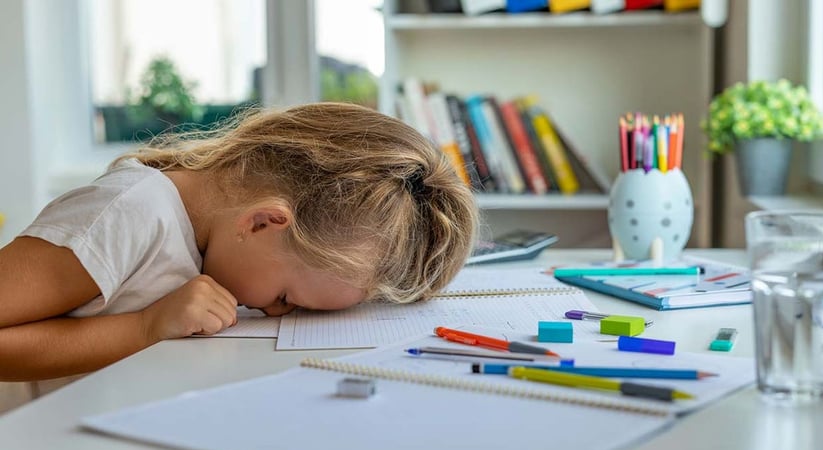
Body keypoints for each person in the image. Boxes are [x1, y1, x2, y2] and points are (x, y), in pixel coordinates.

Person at [0, 102, 479, 381]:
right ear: (261, 223)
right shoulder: (125, 215)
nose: (274, 312)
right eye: (284, 297)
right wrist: (145, 328)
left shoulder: (207, 242)